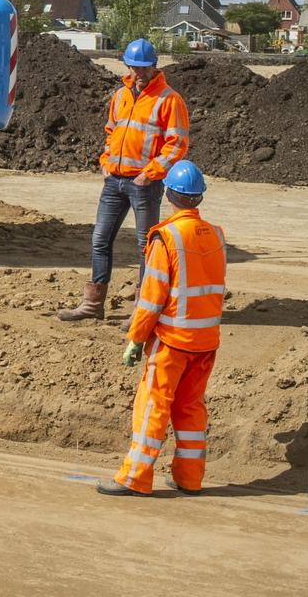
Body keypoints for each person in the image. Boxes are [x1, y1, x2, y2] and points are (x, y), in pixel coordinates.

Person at [99, 160, 226, 496]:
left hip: (172, 342)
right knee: (191, 408)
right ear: (199, 197)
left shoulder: (166, 237)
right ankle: (190, 478)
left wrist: (136, 338)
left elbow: (151, 298)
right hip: (206, 342)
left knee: (153, 406)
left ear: (168, 193)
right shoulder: (216, 234)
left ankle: (135, 477)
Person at [57, 37, 190, 322]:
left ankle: (143, 310)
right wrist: (105, 161)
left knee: (146, 247)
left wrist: (149, 174)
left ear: (155, 66)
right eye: (133, 67)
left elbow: (177, 144)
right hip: (114, 181)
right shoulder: (121, 95)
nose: (138, 72)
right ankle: (93, 304)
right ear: (127, 65)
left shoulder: (169, 99)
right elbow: (111, 131)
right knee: (100, 239)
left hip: (144, 185)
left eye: (144, 67)